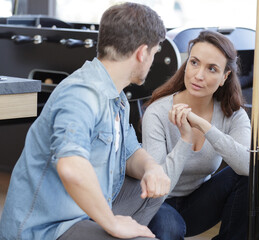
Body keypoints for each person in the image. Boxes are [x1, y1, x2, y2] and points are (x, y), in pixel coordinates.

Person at [0, 3, 170, 240]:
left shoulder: (115, 95)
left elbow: (131, 153)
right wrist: (112, 224)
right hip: (48, 229)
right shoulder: (81, 94)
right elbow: (70, 167)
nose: (152, 61)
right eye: (154, 53)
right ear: (142, 53)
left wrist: (152, 169)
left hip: (84, 214)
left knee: (155, 189)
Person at [142, 30, 251, 240]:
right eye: (194, 63)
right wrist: (185, 139)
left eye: (212, 69)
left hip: (198, 203)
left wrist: (205, 127)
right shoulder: (157, 112)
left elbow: (247, 165)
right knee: (170, 228)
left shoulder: (234, 115)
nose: (199, 75)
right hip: (158, 204)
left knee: (251, 175)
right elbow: (158, 190)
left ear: (224, 77)